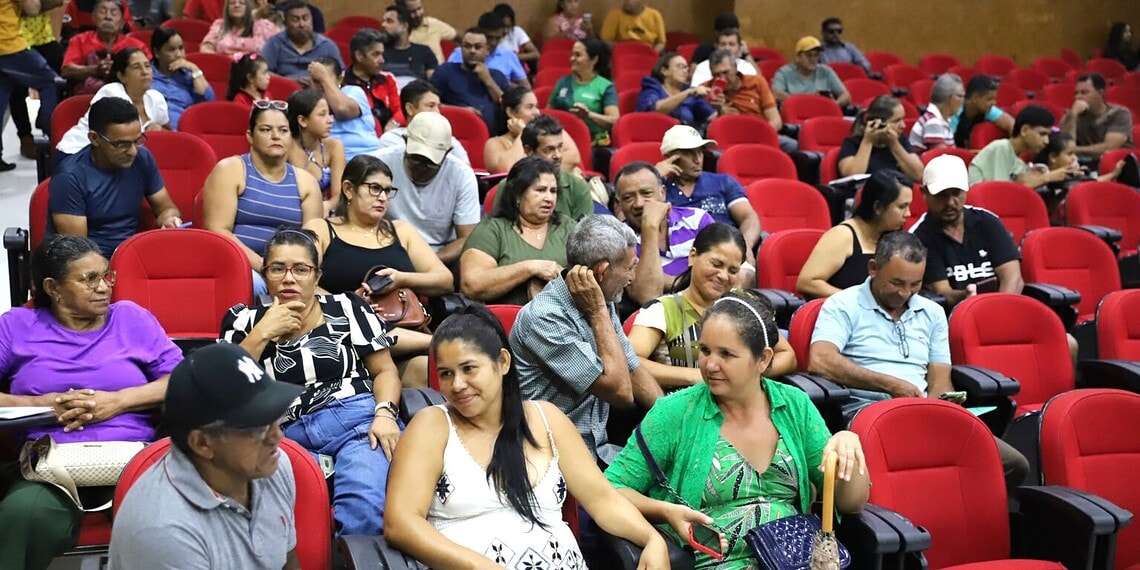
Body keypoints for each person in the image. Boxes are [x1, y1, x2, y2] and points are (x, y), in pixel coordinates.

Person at [384, 304, 671, 569]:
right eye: (446, 374)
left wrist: (651, 539)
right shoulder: (432, 425)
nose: (457, 385)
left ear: (503, 362)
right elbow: (401, 522)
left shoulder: (547, 419)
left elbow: (603, 500)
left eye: (469, 368)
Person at [609, 292, 870, 568]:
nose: (710, 365)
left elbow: (851, 503)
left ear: (763, 359)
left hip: (794, 560)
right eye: (705, 350)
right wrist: (664, 513)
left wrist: (847, 445)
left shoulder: (794, 405)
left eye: (726, 354)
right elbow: (612, 490)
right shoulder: (676, 412)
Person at [0, 235, 180, 570]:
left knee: (171, 524)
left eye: (107, 275)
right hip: (50, 466)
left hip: (135, 460)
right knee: (20, 515)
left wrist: (118, 401)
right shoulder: (16, 326)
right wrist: (42, 405)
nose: (104, 287)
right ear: (53, 288)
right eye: (89, 279)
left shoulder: (130, 319)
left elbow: (183, 380)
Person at [808, 231, 1030, 488]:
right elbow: (820, 360)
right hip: (870, 415)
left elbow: (940, 378)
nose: (905, 293)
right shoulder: (843, 305)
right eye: (897, 282)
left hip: (922, 412)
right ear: (873, 268)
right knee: (921, 466)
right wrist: (890, 385)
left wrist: (943, 404)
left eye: (915, 284)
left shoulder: (932, 312)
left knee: (1014, 464)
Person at [220, 228, 403, 536]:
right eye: (278, 268)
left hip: (355, 423)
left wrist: (385, 413)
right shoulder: (243, 321)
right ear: (264, 274)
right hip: (283, 436)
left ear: (317, 276)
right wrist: (262, 333)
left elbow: (385, 371)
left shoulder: (347, 308)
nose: (289, 278)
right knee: (273, 519)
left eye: (301, 269)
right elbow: (224, 386)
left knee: (364, 512)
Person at [108, 342, 302, 570]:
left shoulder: (272, 466)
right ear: (202, 443)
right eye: (259, 429)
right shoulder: (164, 531)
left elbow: (287, 562)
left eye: (276, 418)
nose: (277, 437)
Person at [512, 214, 665, 464]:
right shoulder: (544, 318)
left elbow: (632, 369)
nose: (632, 278)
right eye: (629, 267)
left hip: (597, 450)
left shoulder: (602, 299)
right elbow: (621, 392)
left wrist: (676, 420)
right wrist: (597, 313)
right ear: (603, 271)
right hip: (552, 458)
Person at [304, 155, 452, 388]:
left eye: (387, 190)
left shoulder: (401, 231)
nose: (382, 197)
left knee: (432, 370)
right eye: (374, 188)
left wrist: (400, 278)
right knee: (361, 323)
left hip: (401, 338)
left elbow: (445, 280)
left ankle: (433, 344)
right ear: (348, 189)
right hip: (343, 336)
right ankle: (436, 342)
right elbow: (301, 281)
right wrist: (350, 304)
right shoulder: (321, 229)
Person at [629, 225, 798, 391]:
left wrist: (743, 374)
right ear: (693, 256)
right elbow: (631, 361)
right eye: (716, 264)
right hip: (686, 411)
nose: (723, 276)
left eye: (733, 270)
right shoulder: (661, 310)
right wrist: (697, 375)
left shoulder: (747, 304)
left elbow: (787, 356)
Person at [202, 100, 323, 285]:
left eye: (283, 130)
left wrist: (289, 272)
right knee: (255, 283)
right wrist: (265, 267)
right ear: (250, 136)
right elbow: (218, 230)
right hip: (242, 267)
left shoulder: (306, 182)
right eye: (266, 130)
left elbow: (312, 242)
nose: (276, 136)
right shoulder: (230, 169)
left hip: (290, 271)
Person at [48, 99, 182, 258]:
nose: (133, 151)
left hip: (131, 256)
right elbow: (78, 254)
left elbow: (166, 208)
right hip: (90, 265)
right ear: (94, 138)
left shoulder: (142, 158)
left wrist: (169, 219)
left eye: (137, 141)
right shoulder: (69, 177)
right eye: (121, 144)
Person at [912, 154, 1023, 307]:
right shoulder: (918, 238)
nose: (950, 202)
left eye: (956, 193)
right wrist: (967, 296)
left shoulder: (988, 221)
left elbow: (1013, 278)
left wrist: (1000, 310)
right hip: (955, 318)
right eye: (941, 195)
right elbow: (943, 293)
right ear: (924, 193)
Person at [372, 112, 480, 264]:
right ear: (405, 141)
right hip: (386, 248)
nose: (421, 167)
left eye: (430, 163)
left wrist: (429, 264)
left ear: (448, 151)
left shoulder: (462, 175)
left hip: (441, 255)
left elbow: (467, 238)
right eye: (415, 159)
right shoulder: (379, 164)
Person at [461, 157, 570, 305]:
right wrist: (530, 268)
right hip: (506, 323)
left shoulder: (568, 228)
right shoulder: (493, 230)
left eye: (553, 191)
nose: (549, 198)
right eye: (540, 190)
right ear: (518, 195)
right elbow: (471, 285)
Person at [658, 125, 762, 272]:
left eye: (700, 152)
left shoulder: (722, 182)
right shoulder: (659, 189)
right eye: (689, 153)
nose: (697, 159)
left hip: (725, 250)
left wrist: (745, 246)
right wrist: (655, 175)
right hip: (679, 258)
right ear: (670, 157)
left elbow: (749, 217)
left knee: (743, 273)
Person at [797, 170, 913, 299]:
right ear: (878, 207)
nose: (908, 213)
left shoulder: (894, 239)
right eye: (902, 206)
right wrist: (857, 301)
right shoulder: (842, 235)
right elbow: (807, 283)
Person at [613, 161, 713, 304]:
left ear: (663, 193)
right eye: (628, 197)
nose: (639, 203)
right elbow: (647, 295)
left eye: (646, 193)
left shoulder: (698, 219)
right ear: (619, 204)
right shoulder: (619, 239)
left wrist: (669, 281)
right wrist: (650, 227)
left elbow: (721, 272)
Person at [56, 47, 169, 157]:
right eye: (136, 67)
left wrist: (160, 131)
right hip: (78, 153)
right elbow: (120, 137)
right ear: (121, 76)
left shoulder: (156, 98)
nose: (145, 72)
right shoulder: (111, 93)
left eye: (147, 66)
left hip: (119, 159)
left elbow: (170, 132)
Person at [1, 0, 63, 169]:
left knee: (2, 96)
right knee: (50, 83)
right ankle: (51, 144)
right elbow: (33, 8)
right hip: (9, 44)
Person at [496, 114, 594, 220]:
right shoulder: (507, 185)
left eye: (560, 147)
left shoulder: (577, 187)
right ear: (528, 151)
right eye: (549, 149)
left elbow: (585, 234)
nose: (558, 155)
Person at [703, 49, 797, 152]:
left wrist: (756, 136)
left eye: (726, 72)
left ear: (735, 68)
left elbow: (776, 121)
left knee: (793, 146)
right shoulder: (706, 89)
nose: (722, 78)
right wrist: (719, 110)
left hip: (760, 135)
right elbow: (710, 126)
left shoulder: (757, 82)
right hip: (730, 139)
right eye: (716, 75)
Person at [484, 85, 581, 174]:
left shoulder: (550, 132)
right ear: (510, 112)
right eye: (530, 107)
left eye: (536, 106)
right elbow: (508, 171)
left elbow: (573, 158)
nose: (537, 112)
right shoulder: (495, 143)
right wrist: (523, 134)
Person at [61, 0, 149, 95]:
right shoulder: (79, 40)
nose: (108, 17)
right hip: (87, 97)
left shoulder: (136, 45)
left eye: (114, 13)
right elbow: (66, 71)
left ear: (122, 22)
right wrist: (94, 70)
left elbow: (148, 72)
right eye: (102, 12)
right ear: (93, 17)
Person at [430, 27, 509, 132]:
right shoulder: (445, 71)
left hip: (493, 137)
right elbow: (430, 104)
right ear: (461, 49)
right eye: (467, 46)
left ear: (487, 50)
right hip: (456, 133)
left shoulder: (497, 76)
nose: (472, 51)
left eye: (478, 47)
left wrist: (489, 81)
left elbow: (508, 106)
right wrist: (462, 113)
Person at [969, 104, 1066, 187]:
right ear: (1024, 130)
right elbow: (999, 192)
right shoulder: (1001, 147)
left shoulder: (1020, 164)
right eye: (1042, 134)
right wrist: (1046, 178)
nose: (1046, 141)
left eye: (1048, 135)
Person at [377, 79, 469, 164]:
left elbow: (466, 173)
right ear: (410, 109)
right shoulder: (391, 140)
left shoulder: (450, 140)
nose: (437, 112)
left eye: (439, 107)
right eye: (430, 106)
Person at [308, 57, 382, 161]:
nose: (321, 85)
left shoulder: (354, 92)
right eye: (316, 81)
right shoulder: (308, 104)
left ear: (340, 79)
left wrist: (324, 78)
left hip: (368, 157)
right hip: (330, 163)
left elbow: (342, 109)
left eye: (326, 79)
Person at [549, 38, 618, 147]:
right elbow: (549, 113)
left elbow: (614, 120)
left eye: (578, 55)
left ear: (594, 60)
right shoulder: (562, 82)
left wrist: (589, 115)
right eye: (572, 54)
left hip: (595, 145)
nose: (572, 58)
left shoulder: (605, 86)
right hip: (562, 142)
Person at [838, 95, 924, 182]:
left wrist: (894, 144)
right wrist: (868, 141)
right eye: (897, 121)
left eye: (902, 119)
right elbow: (852, 176)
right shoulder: (852, 143)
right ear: (878, 123)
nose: (903, 125)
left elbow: (918, 175)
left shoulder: (901, 141)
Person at [285, 88, 344, 207]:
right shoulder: (286, 146)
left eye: (329, 114)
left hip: (324, 211)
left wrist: (327, 206)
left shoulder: (334, 146)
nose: (330, 121)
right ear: (302, 120)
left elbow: (339, 195)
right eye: (322, 115)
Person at [149, 27, 215, 130]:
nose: (179, 54)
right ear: (157, 53)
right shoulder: (146, 74)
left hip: (184, 131)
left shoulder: (189, 76)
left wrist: (194, 69)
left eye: (181, 48)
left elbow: (209, 102)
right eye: (171, 49)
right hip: (153, 132)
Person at [259, 0, 341, 81]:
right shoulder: (274, 43)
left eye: (305, 18)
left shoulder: (327, 45)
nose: (302, 24)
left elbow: (340, 74)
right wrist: (290, 82)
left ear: (312, 20)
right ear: (285, 23)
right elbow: (263, 73)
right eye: (295, 20)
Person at [1060, 72, 1135, 160]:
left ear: (1101, 93)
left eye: (1084, 92)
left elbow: (1110, 147)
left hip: (1116, 163)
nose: (1078, 97)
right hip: (1084, 164)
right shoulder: (1073, 113)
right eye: (1076, 93)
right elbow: (1065, 144)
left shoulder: (1119, 113)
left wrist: (1075, 149)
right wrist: (1073, 115)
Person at [342, 27, 404, 132]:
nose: (382, 60)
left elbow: (400, 109)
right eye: (376, 54)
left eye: (382, 54)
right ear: (359, 56)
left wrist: (393, 123)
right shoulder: (342, 82)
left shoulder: (388, 79)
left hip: (389, 136)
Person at [445, 12, 528, 88]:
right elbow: (446, 81)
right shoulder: (460, 54)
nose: (493, 43)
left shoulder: (509, 56)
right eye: (489, 37)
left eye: (498, 38)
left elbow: (526, 88)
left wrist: (505, 85)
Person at [636, 51, 716, 130]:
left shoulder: (690, 91)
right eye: (680, 66)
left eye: (686, 68)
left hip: (685, 139)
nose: (685, 71)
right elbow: (654, 110)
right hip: (654, 135)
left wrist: (720, 108)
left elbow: (712, 117)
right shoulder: (652, 86)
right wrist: (687, 93)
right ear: (664, 71)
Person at [772, 36, 850, 107]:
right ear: (798, 57)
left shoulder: (826, 71)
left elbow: (845, 95)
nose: (813, 59)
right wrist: (807, 102)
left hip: (821, 111)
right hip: (797, 112)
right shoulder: (784, 72)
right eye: (808, 55)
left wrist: (834, 105)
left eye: (816, 55)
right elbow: (776, 93)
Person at [380, 4, 438, 90]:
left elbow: (435, 84)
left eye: (389, 21)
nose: (383, 25)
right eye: (383, 21)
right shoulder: (379, 51)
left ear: (404, 26)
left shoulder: (424, 52)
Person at [952, 75, 1014, 149]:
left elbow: (1012, 124)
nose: (994, 103)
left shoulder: (988, 109)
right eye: (989, 99)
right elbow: (948, 143)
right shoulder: (954, 111)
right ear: (974, 98)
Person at [199, 0, 280, 56]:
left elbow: (281, 45)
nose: (237, 5)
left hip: (255, 70)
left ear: (248, 7)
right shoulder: (219, 25)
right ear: (227, 8)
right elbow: (206, 46)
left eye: (241, 3)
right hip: (225, 68)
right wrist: (219, 59)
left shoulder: (264, 26)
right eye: (232, 3)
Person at [908, 73, 963, 152]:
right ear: (953, 99)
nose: (963, 101)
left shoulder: (944, 120)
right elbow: (941, 157)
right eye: (962, 96)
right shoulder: (933, 121)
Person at [689, 29, 757, 86]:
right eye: (723, 44)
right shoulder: (703, 67)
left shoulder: (747, 67)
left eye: (731, 44)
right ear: (716, 47)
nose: (727, 48)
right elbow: (697, 92)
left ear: (739, 47)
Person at [397, 0, 455, 64]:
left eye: (419, 8)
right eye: (412, 11)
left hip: (439, 72)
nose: (418, 14)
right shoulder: (396, 31)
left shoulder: (433, 24)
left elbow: (458, 37)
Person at [599, 0, 665, 53]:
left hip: (648, 51)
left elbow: (661, 42)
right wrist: (624, 51)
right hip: (623, 52)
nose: (628, 1)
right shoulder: (614, 14)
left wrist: (652, 54)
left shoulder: (655, 15)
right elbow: (606, 40)